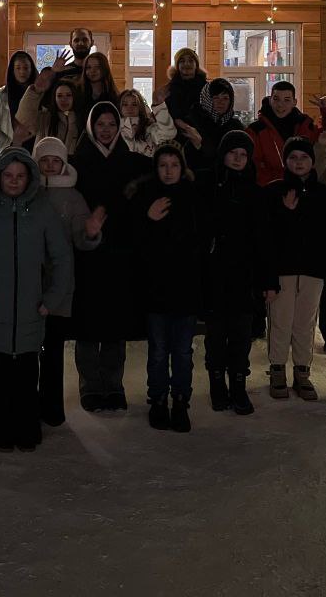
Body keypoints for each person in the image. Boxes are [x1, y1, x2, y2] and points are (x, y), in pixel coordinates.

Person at [0, 149, 74, 451]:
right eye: (8, 175)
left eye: (20, 176)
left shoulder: (43, 212)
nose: (14, 181)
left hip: (31, 311)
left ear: (29, 178)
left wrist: (52, 298)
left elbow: (62, 258)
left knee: (26, 375)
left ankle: (26, 429)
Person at [69, 101, 150, 411]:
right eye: (100, 124)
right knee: (88, 321)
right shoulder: (77, 163)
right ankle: (90, 384)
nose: (106, 130)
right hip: (87, 254)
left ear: (119, 127)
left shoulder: (130, 162)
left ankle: (113, 383)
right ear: (91, 127)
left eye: (111, 124)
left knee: (116, 321)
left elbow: (161, 173)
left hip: (120, 254)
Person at [129, 143, 205, 433]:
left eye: (174, 165)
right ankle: (158, 399)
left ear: (182, 168)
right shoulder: (146, 196)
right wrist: (147, 218)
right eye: (163, 165)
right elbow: (137, 242)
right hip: (156, 289)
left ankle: (181, 400)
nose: (169, 171)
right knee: (159, 351)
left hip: (186, 288)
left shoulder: (193, 197)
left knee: (183, 351)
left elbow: (201, 239)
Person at [33, 136, 105, 426]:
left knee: (52, 349)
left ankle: (52, 408)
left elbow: (81, 237)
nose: (50, 166)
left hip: (59, 284)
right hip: (28, 282)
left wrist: (90, 232)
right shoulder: (28, 192)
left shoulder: (73, 197)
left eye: (56, 161)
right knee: (27, 349)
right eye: (45, 161)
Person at [259, 136, 326, 401]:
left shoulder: (324, 194)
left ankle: (302, 371)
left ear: (312, 161)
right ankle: (277, 369)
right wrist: (286, 212)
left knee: (305, 323)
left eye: (304, 157)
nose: (298, 162)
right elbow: (267, 237)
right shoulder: (273, 192)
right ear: (285, 161)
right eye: (293, 157)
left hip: (313, 271)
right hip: (283, 270)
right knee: (280, 321)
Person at [199, 129, 260, 416]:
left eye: (243, 154)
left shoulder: (253, 191)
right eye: (232, 153)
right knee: (216, 335)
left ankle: (238, 384)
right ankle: (216, 383)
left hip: (243, 275)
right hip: (215, 273)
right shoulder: (209, 186)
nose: (237, 159)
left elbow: (262, 237)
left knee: (241, 335)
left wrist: (264, 278)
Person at [248, 81, 319, 186]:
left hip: (304, 187)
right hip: (271, 189)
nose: (280, 105)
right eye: (276, 99)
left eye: (287, 100)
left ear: (294, 102)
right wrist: (280, 185)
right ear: (270, 100)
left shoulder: (305, 125)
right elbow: (254, 166)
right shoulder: (256, 130)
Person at [177, 77, 243, 170]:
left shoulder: (236, 126)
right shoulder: (192, 123)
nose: (221, 102)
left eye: (225, 98)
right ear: (207, 99)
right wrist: (197, 146)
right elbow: (182, 160)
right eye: (216, 98)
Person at [17, 70, 81, 155]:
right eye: (59, 96)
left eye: (68, 95)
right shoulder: (45, 118)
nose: (63, 99)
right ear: (54, 98)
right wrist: (35, 91)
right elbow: (23, 120)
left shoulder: (81, 120)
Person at [118, 87, 177, 157]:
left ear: (140, 107)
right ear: (119, 107)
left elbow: (167, 135)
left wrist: (159, 106)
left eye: (134, 104)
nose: (130, 108)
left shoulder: (148, 126)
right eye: (125, 104)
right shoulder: (115, 128)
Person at [164, 47, 207, 124]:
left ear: (196, 65)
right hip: (174, 129)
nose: (187, 64)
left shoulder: (206, 88)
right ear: (177, 65)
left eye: (191, 61)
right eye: (182, 61)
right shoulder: (169, 89)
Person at [76, 51, 119, 119]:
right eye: (88, 67)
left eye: (97, 67)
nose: (92, 71)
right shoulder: (77, 92)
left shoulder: (114, 96)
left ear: (105, 69)